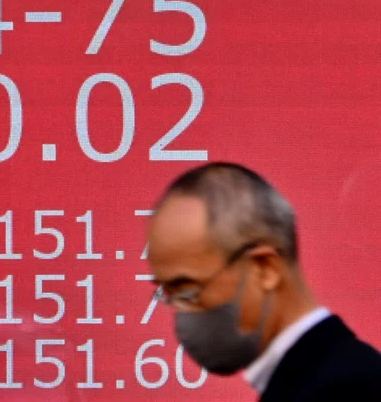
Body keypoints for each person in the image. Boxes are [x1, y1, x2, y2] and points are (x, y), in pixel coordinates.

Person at [145, 161, 381, 400]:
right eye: (168, 295)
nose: (181, 315)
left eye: (187, 290)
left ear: (265, 268)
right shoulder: (315, 382)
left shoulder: (345, 390)